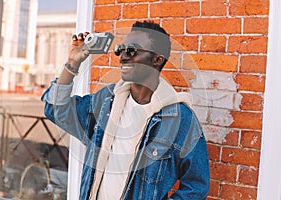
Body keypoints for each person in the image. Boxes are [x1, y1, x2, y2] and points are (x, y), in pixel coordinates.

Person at [42, 21, 209, 200]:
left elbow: (197, 185)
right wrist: (72, 64)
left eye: (132, 50)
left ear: (157, 59)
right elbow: (55, 110)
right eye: (121, 49)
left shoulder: (180, 119)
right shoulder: (106, 102)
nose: (123, 57)